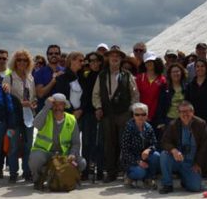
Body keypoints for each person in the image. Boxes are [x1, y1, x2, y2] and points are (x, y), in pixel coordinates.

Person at [93, 46, 139, 183]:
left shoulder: (127, 75)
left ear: (120, 59)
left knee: (124, 143)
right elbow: (96, 94)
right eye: (112, 56)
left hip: (124, 113)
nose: (114, 58)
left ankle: (126, 172)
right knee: (109, 144)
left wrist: (131, 108)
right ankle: (111, 172)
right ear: (108, 58)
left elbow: (135, 93)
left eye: (117, 56)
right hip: (107, 113)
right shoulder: (101, 75)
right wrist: (98, 107)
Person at [30, 93, 86, 191]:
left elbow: (76, 143)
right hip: (45, 151)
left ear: (64, 106)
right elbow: (36, 124)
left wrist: (72, 154)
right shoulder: (46, 115)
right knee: (35, 159)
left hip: (63, 154)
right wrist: (46, 106)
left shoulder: (71, 119)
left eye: (60, 104)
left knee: (81, 163)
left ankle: (69, 178)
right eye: (55, 104)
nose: (57, 107)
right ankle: (37, 180)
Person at [158, 101, 207, 193]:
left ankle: (185, 179)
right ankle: (167, 184)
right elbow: (164, 142)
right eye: (182, 112)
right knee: (164, 155)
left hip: (191, 163)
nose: (185, 114)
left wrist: (198, 163)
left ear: (192, 112)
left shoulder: (201, 124)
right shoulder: (173, 125)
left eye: (187, 111)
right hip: (177, 160)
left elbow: (206, 146)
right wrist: (173, 150)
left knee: (195, 187)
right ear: (178, 113)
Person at [5, 49, 37, 183]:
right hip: (15, 116)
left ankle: (27, 171)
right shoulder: (10, 76)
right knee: (13, 146)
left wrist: (33, 103)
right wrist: (19, 102)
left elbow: (34, 95)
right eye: (19, 60)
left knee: (28, 145)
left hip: (29, 115)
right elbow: (6, 96)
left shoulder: (30, 77)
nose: (22, 62)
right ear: (15, 62)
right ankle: (13, 172)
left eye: (25, 60)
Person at [120, 102, 159, 188]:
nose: (140, 117)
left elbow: (154, 143)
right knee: (141, 172)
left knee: (156, 156)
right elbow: (125, 150)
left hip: (144, 157)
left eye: (143, 114)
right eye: (137, 114)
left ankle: (148, 179)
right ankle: (129, 177)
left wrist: (148, 150)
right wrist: (138, 161)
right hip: (131, 160)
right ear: (133, 115)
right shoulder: (128, 128)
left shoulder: (149, 127)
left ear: (146, 115)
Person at [79, 52, 102, 182]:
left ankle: (99, 169)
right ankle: (86, 170)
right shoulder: (85, 76)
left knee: (99, 143)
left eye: (95, 60)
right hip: (88, 113)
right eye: (90, 61)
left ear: (99, 62)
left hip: (100, 112)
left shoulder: (103, 75)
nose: (92, 63)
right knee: (87, 142)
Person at [156, 63, 188, 134]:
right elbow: (160, 105)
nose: (176, 74)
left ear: (181, 73)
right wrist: (161, 122)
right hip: (169, 120)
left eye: (177, 71)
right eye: (173, 72)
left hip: (185, 119)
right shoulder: (164, 87)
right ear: (170, 74)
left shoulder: (187, 87)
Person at [135, 53, 167, 126]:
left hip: (156, 116)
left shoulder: (162, 79)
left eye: (151, 61)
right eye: (147, 62)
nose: (149, 64)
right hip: (141, 114)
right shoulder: (139, 78)